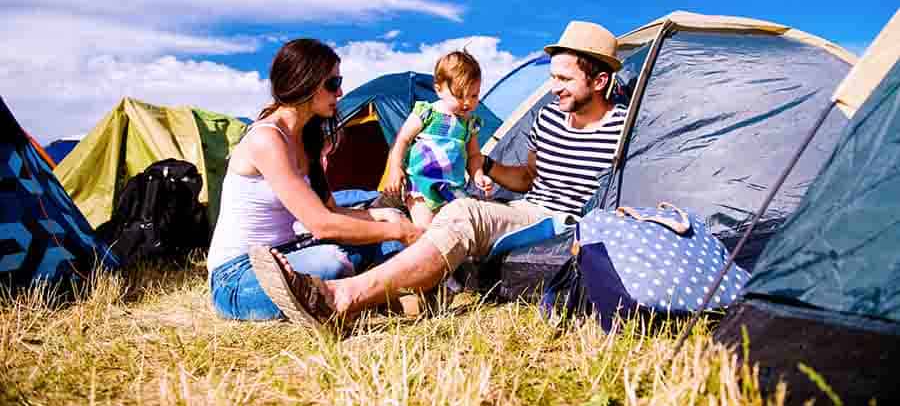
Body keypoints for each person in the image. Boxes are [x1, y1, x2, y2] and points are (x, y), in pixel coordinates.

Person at [249, 21, 627, 331]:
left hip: (561, 221)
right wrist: (484, 167)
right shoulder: (547, 119)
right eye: (552, 77)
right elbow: (529, 177)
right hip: (527, 205)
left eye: (564, 79)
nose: (553, 88)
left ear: (598, 81)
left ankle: (342, 297)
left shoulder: (623, 128)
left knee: (463, 213)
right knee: (443, 210)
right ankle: (414, 294)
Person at [207, 38, 423, 321]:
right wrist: (401, 232)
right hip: (237, 275)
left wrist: (383, 216)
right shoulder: (267, 138)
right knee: (332, 261)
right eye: (333, 84)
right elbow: (321, 224)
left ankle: (357, 297)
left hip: (290, 253)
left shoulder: (306, 137)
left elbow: (332, 210)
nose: (341, 91)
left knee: (385, 227)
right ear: (305, 82)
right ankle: (373, 297)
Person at [383, 49, 494, 228]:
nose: (467, 102)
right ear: (439, 89)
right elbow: (402, 139)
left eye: (474, 95)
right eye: (459, 95)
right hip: (421, 184)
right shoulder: (428, 113)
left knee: (458, 227)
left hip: (453, 187)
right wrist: (395, 168)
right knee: (426, 229)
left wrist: (478, 175)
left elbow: (473, 156)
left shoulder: (470, 124)